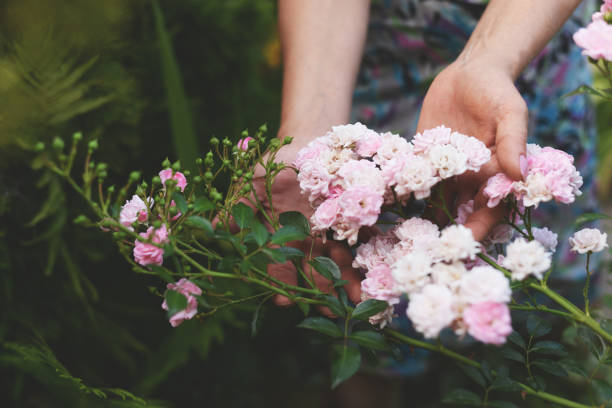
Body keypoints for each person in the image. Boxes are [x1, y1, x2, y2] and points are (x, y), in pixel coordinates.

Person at [257, 0, 597, 310]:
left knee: (546, 282)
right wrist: (314, 134)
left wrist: (486, 60)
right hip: (372, 56)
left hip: (530, 32)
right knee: (373, 275)